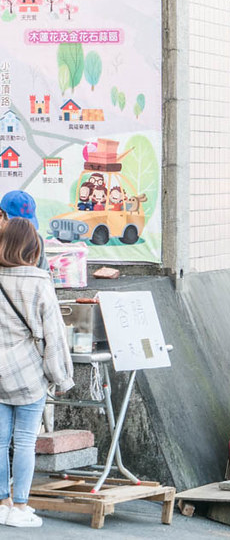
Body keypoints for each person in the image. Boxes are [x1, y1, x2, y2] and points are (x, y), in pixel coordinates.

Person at [0, 218, 74, 528]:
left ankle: (2, 501)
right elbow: (54, 335)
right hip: (29, 374)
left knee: (0, 442)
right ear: (33, 247)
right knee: (26, 441)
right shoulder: (39, 280)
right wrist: (60, 377)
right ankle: (20, 505)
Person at [0, 191, 48, 271]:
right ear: (1, 215)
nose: (23, 228)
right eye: (16, 224)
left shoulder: (36, 239)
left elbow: (45, 272)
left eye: (27, 224)